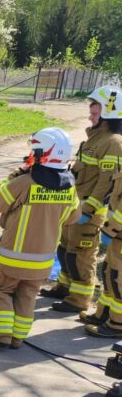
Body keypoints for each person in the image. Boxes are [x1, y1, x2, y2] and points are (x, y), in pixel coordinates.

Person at [0, 128, 80, 351]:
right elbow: (73, 217)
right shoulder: (69, 188)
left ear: (42, 153)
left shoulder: (25, 182)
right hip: (42, 262)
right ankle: (17, 338)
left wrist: (15, 174)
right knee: (27, 296)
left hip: (13, 257)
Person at [42, 85, 122, 316]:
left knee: (81, 256)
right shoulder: (95, 138)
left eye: (95, 108)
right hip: (75, 207)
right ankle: (64, 288)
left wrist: (88, 210)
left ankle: (80, 298)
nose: (90, 112)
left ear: (109, 110)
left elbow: (107, 184)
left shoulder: (113, 143)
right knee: (65, 250)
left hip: (88, 211)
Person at [85, 124, 122, 337]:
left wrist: (110, 229)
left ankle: (117, 325)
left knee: (118, 279)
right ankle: (104, 314)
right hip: (116, 236)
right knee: (109, 272)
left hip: (118, 233)